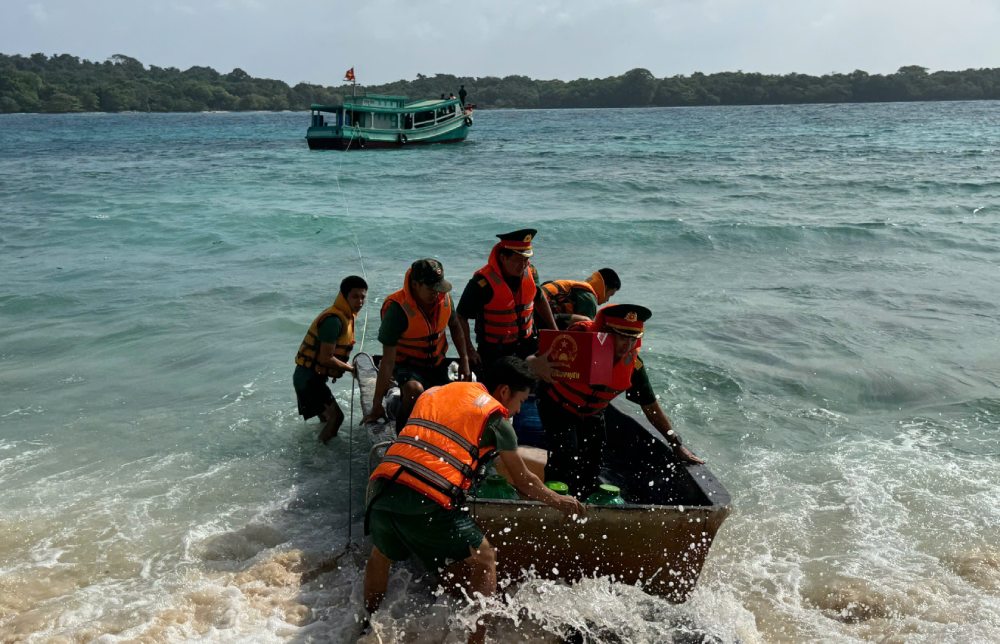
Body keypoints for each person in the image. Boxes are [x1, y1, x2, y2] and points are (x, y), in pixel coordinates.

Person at [363, 357, 584, 644]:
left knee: (381, 555)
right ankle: (476, 640)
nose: (518, 410)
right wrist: (559, 500)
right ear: (504, 391)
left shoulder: (436, 392)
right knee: (485, 558)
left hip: (382, 486)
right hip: (428, 497)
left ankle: (366, 625)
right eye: (520, 401)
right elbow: (524, 481)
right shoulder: (497, 420)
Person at [539, 304, 704, 499]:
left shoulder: (633, 364)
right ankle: (552, 499)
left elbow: (651, 406)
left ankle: (583, 501)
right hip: (557, 405)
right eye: (622, 337)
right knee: (565, 453)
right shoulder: (578, 341)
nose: (627, 345)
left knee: (593, 461)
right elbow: (541, 331)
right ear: (606, 333)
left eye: (633, 338)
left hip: (593, 412)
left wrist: (675, 443)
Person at [362, 259, 471, 430]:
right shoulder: (397, 310)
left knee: (458, 395)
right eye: (431, 288)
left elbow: (456, 326)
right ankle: (401, 430)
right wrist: (376, 404)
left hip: (436, 363)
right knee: (414, 391)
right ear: (415, 284)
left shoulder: (445, 300)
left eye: (439, 287)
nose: (436, 293)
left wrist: (465, 360)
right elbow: (388, 361)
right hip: (407, 365)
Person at [457, 229, 557, 376]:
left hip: (527, 345)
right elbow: (460, 316)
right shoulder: (482, 283)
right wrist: (469, 350)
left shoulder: (531, 272)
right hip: (495, 351)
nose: (523, 265)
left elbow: (540, 298)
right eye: (518, 260)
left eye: (526, 260)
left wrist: (554, 331)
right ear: (503, 258)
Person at [293, 275, 368, 443]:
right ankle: (319, 451)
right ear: (344, 296)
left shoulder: (344, 316)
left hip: (311, 377)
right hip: (308, 379)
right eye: (355, 296)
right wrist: (351, 369)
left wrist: (349, 367)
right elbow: (326, 359)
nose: (360, 301)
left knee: (326, 418)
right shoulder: (334, 321)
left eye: (363, 297)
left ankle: (320, 447)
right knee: (336, 418)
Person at [541, 267, 621, 328]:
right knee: (586, 322)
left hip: (537, 308)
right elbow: (587, 330)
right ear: (605, 288)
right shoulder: (589, 298)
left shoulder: (578, 287)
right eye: (610, 295)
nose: (608, 300)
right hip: (542, 316)